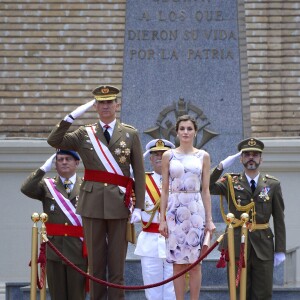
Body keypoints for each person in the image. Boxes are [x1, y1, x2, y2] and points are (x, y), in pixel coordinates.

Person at [47, 85, 145, 300]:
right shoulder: (84, 133)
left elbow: (138, 171)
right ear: (95, 107)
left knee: (117, 267)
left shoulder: (130, 134)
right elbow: (54, 141)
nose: (106, 106)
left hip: (119, 204)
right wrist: (71, 116)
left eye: (110, 102)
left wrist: (139, 207)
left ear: (117, 105)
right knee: (96, 266)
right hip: (91, 204)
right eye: (101, 103)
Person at [210, 137, 286, 300]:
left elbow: (279, 218)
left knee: (263, 293)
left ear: (261, 159)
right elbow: (207, 186)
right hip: (237, 243)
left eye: (255, 154)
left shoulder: (272, 184)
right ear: (241, 158)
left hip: (263, 245)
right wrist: (220, 166)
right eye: (247, 154)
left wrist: (280, 249)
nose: (251, 157)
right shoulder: (230, 182)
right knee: (238, 292)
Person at [159, 115, 216, 300]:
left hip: (195, 210)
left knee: (196, 263)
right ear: (176, 132)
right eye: (182, 128)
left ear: (195, 132)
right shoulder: (168, 155)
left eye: (189, 128)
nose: (185, 132)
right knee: (177, 263)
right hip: (175, 209)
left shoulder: (203, 156)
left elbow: (206, 190)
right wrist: (162, 220)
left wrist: (209, 219)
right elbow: (165, 190)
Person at [20, 149, 87, 300]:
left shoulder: (86, 186)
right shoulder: (47, 185)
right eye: (60, 159)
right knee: (57, 296)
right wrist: (43, 169)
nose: (64, 162)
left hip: (78, 249)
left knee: (77, 296)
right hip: (54, 250)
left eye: (68, 159)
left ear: (77, 163)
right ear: (54, 164)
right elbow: (26, 188)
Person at [134, 138, 176, 300]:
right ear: (150, 159)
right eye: (155, 154)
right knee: (152, 291)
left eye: (163, 154)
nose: (159, 157)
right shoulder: (140, 181)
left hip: (174, 240)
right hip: (150, 242)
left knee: (173, 290)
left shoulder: (178, 179)